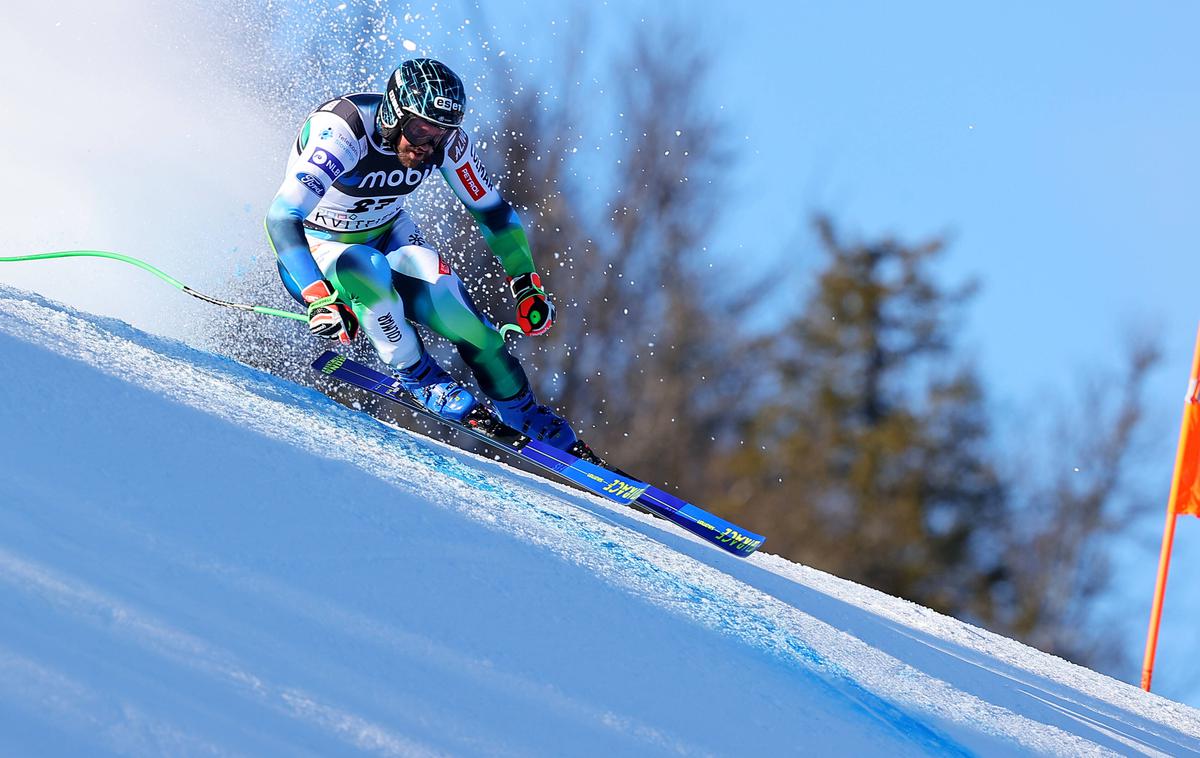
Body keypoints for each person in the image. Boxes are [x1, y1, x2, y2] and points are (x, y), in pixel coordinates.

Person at [265, 58, 580, 451]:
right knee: (367, 268)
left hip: (389, 232)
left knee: (459, 313)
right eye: (419, 130)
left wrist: (525, 282)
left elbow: (494, 213)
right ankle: (418, 374)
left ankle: (524, 411)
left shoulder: (448, 144)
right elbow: (281, 217)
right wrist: (318, 296)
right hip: (319, 250)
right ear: (396, 113)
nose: (427, 145)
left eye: (440, 134)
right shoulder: (342, 133)